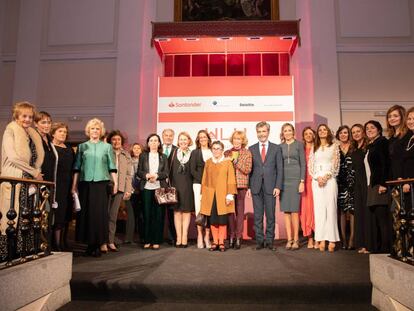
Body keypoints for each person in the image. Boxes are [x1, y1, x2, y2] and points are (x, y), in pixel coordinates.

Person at [0, 102, 44, 259]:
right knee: (12, 217)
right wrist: (34, 172)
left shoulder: (32, 134)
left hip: (29, 181)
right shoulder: (10, 131)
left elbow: (35, 159)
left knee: (27, 215)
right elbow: (13, 157)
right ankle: (7, 253)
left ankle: (23, 249)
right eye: (24, 116)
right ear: (16, 116)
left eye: (30, 117)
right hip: (15, 178)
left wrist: (35, 172)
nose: (27, 119)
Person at [72, 118, 117, 257]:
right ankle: (89, 244)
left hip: (101, 183)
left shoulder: (107, 147)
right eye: (92, 128)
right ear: (88, 131)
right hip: (85, 183)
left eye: (97, 128)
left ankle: (98, 244)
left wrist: (115, 183)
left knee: (99, 214)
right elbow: (77, 168)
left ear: (101, 131)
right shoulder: (82, 147)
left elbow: (112, 167)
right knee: (86, 214)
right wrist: (74, 186)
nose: (95, 131)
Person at [248, 121, 283, 251]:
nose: (261, 134)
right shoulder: (251, 149)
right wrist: (249, 187)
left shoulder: (276, 148)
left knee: (270, 215)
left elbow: (280, 169)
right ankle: (259, 241)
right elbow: (249, 170)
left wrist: (278, 186)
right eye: (259, 131)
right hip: (256, 186)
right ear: (256, 133)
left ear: (268, 132)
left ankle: (269, 241)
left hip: (271, 186)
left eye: (264, 131)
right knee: (257, 215)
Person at [308, 124, 340, 252]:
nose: (322, 132)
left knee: (330, 209)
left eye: (324, 129)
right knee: (319, 210)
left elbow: (335, 165)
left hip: (330, 179)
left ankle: (332, 239)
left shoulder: (334, 146)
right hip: (317, 181)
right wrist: (317, 177)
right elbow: (311, 165)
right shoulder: (314, 147)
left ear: (328, 132)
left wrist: (326, 177)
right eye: (320, 130)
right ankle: (320, 238)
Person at [200, 141, 237, 252]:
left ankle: (221, 241)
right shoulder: (208, 162)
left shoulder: (227, 163)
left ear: (222, 150)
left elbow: (231, 179)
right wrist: (203, 194)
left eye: (218, 148)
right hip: (210, 195)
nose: (216, 150)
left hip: (223, 195)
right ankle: (215, 241)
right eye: (214, 148)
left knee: (222, 220)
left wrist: (230, 194)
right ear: (212, 150)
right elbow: (204, 179)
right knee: (213, 220)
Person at [136, 133, 169, 250]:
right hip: (146, 188)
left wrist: (156, 175)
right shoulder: (143, 156)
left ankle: (156, 240)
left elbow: (166, 173)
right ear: (148, 143)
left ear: (159, 143)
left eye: (156, 140)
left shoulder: (163, 157)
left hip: (159, 188)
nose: (154, 143)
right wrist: (147, 175)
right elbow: (139, 172)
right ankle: (147, 239)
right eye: (151, 140)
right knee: (146, 214)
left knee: (159, 215)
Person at [364, 120, 391, 253]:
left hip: (380, 184)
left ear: (379, 129)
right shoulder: (372, 145)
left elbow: (385, 164)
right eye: (367, 128)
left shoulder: (382, 142)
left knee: (382, 218)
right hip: (373, 185)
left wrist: (383, 183)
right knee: (377, 218)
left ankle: (385, 248)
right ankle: (380, 246)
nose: (369, 130)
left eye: (372, 128)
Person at [224, 130, 252, 250]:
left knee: (240, 213)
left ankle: (239, 237)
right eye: (235, 138)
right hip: (229, 185)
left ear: (242, 141)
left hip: (241, 185)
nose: (237, 141)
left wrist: (235, 162)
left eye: (239, 139)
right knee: (230, 213)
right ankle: (231, 236)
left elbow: (247, 169)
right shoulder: (227, 153)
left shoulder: (247, 153)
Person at [279, 123, 305, 250]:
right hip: (283, 181)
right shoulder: (280, 147)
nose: (287, 132)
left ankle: (296, 239)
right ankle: (289, 239)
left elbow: (303, 164)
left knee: (295, 211)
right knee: (286, 211)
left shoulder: (299, 144)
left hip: (295, 180)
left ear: (293, 132)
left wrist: (302, 181)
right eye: (285, 131)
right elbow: (278, 166)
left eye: (289, 130)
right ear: (282, 133)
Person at [106, 130, 133, 252]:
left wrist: (128, 190)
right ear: (110, 141)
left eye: (118, 140)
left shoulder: (126, 155)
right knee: (102, 215)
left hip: (120, 188)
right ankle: (101, 241)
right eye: (114, 139)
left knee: (113, 216)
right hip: (106, 186)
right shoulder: (106, 152)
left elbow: (129, 174)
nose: (116, 142)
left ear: (122, 142)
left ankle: (110, 241)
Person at [51, 122, 74, 251]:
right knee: (57, 215)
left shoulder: (69, 149)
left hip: (68, 185)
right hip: (56, 185)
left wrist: (74, 186)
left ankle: (64, 241)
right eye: (60, 131)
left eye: (65, 132)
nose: (63, 134)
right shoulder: (50, 148)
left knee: (66, 214)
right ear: (53, 133)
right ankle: (56, 244)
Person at [169, 132, 195, 247]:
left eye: (185, 139)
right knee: (177, 212)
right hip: (175, 187)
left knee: (186, 212)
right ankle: (178, 237)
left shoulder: (193, 154)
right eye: (181, 139)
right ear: (178, 141)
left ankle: (185, 236)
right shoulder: (173, 153)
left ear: (189, 141)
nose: (183, 141)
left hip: (188, 187)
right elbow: (168, 171)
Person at [190, 130, 213, 249]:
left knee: (208, 211)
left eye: (205, 137)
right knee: (199, 211)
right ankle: (199, 235)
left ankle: (207, 236)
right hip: (198, 185)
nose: (203, 139)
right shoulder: (195, 152)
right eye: (200, 137)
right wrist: (203, 180)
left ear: (208, 139)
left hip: (211, 185)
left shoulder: (213, 151)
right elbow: (192, 170)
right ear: (198, 140)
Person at [350, 124, 369, 254]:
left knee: (368, 214)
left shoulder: (367, 148)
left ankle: (369, 244)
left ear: (363, 132)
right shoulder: (354, 149)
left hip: (367, 183)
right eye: (354, 132)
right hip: (357, 184)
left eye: (358, 131)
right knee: (359, 214)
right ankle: (361, 244)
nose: (356, 134)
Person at [336, 125, 356, 250]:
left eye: (346, 133)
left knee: (353, 211)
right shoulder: (335, 149)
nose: (344, 135)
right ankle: (343, 240)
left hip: (353, 183)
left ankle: (352, 240)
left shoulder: (354, 148)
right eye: (341, 133)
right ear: (338, 135)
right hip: (340, 183)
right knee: (342, 212)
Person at [300, 127, 316, 249]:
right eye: (306, 133)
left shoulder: (318, 149)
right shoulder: (300, 149)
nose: (308, 135)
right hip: (304, 183)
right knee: (306, 211)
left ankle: (318, 236)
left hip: (316, 182)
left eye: (311, 133)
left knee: (316, 210)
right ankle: (309, 237)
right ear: (303, 136)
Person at [125, 143, 144, 244]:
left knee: (141, 215)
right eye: (135, 148)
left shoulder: (145, 160)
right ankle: (129, 238)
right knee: (131, 216)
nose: (136, 150)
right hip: (131, 191)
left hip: (142, 191)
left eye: (139, 148)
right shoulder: (128, 160)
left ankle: (142, 237)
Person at [162, 128, 177, 245]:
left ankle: (173, 238)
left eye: (170, 135)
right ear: (162, 136)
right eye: (166, 135)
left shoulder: (177, 150)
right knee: (159, 213)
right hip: (158, 186)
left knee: (172, 214)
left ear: (173, 137)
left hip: (172, 186)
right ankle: (158, 237)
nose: (168, 137)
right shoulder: (157, 149)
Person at [386, 105, 407, 180]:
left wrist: (405, 178)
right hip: (393, 178)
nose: (392, 118)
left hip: (405, 179)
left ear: (402, 117)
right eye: (389, 116)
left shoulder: (408, 135)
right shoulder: (391, 139)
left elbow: (408, 160)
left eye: (395, 116)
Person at [400, 107, 414, 211]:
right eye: (409, 119)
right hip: (409, 184)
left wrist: (409, 180)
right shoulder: (409, 138)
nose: (411, 121)